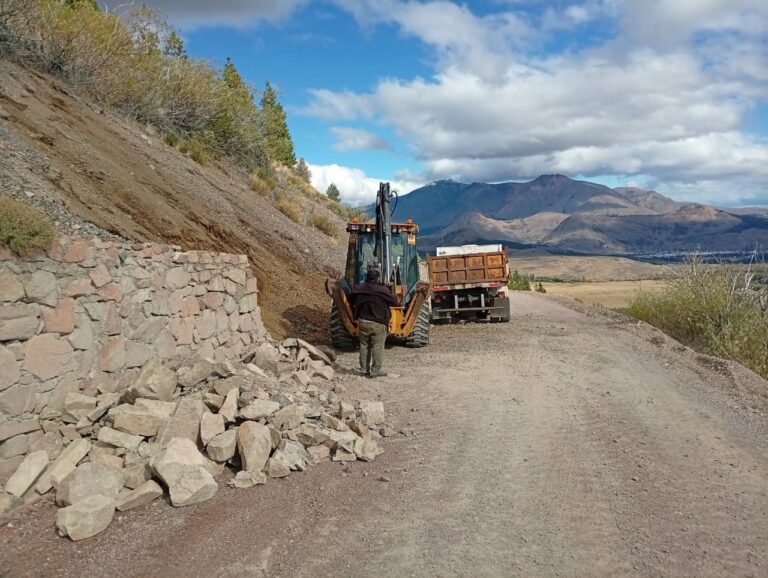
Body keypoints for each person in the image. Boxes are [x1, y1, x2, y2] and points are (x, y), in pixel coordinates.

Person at [351, 268, 397, 377]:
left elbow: (351, 299)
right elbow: (395, 301)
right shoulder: (383, 290)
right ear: (378, 278)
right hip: (378, 323)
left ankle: (363, 370)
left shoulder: (359, 288)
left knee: (364, 345)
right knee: (377, 346)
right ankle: (375, 371)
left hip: (363, 321)